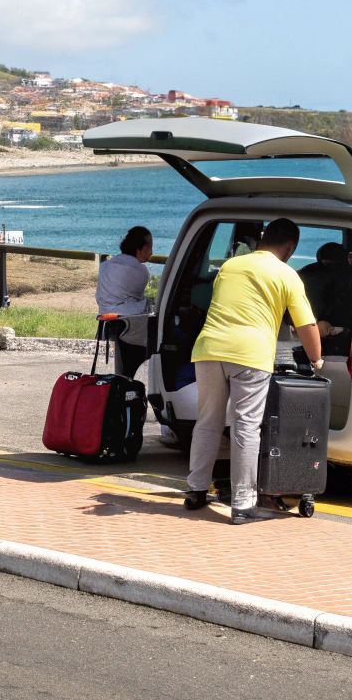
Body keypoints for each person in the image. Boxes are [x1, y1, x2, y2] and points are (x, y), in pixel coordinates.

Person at [184, 218, 323, 524]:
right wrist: (316, 359)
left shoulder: (230, 267)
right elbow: (307, 325)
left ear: (262, 240)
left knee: (208, 421)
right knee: (246, 425)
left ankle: (195, 490)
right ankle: (243, 503)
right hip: (250, 354)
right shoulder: (286, 274)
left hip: (208, 349)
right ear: (290, 247)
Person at [96, 226, 156, 383]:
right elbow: (137, 297)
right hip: (128, 320)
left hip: (105, 319)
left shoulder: (106, 265)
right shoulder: (141, 271)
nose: (151, 251)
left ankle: (124, 379)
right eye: (149, 246)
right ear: (140, 248)